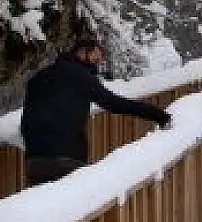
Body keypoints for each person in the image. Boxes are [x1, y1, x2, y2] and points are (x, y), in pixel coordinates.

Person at [20, 36, 172, 186]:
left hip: (35, 161)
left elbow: (27, 118)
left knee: (45, 208)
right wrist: (159, 115)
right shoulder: (82, 77)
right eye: (96, 57)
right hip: (67, 159)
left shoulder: (37, 79)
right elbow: (115, 103)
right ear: (81, 52)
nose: (98, 63)